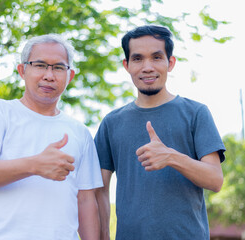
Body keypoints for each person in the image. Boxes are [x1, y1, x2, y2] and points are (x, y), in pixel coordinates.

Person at [0, 34, 102, 240]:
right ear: (22, 70)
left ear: (69, 76)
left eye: (58, 67)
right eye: (40, 65)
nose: (49, 75)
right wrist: (34, 165)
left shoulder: (79, 131)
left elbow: (86, 200)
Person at [94, 25, 226, 240]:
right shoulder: (111, 123)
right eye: (138, 59)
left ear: (170, 63)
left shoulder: (196, 113)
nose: (147, 67)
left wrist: (171, 157)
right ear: (127, 65)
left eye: (156, 57)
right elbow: (98, 190)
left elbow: (215, 180)